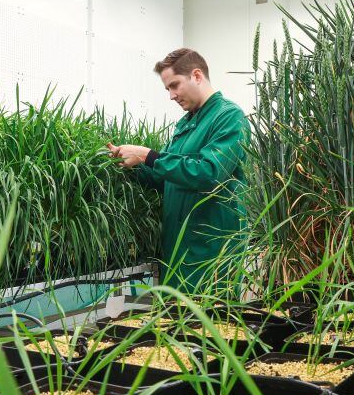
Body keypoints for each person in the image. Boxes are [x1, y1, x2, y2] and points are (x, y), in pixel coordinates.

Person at [107, 48, 250, 292]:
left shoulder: (228, 117)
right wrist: (131, 165)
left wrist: (147, 155)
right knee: (174, 324)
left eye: (175, 85)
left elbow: (209, 173)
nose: (171, 96)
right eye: (167, 89)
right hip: (177, 249)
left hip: (210, 253)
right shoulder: (185, 124)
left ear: (196, 75)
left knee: (212, 325)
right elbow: (166, 179)